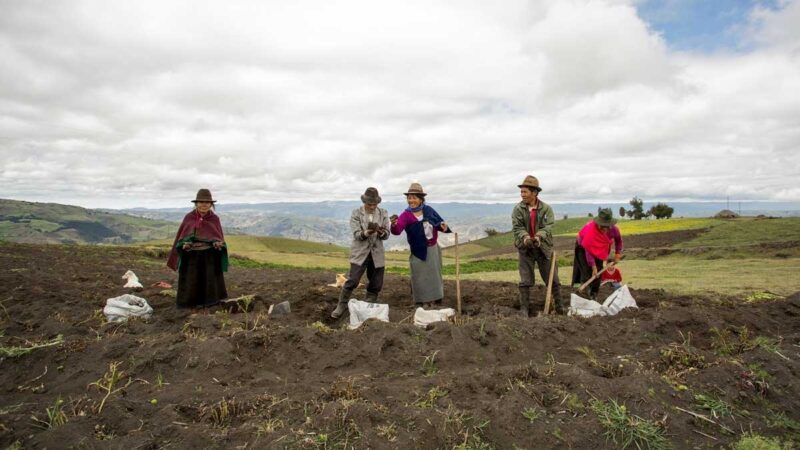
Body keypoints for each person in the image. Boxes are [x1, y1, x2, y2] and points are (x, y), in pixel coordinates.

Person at [331, 187, 391, 318]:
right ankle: (341, 305)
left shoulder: (383, 213)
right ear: (365, 202)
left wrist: (381, 232)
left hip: (377, 253)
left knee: (376, 281)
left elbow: (387, 234)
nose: (372, 206)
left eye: (374, 204)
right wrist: (366, 233)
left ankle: (369, 303)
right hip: (360, 252)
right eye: (370, 204)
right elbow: (356, 234)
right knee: (353, 280)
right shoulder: (356, 213)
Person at [390, 182, 451, 306]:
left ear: (421, 199)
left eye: (414, 197)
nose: (411, 200)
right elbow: (397, 230)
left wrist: (444, 227)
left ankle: (437, 298)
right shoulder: (406, 215)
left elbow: (439, 224)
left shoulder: (428, 210)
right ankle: (420, 301)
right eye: (409, 197)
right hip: (418, 250)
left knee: (435, 275)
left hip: (432, 248)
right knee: (418, 276)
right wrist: (393, 225)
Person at [167, 189, 228, 310]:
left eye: (207, 202)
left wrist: (217, 243)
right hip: (191, 255)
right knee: (191, 279)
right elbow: (182, 236)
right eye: (201, 202)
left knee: (209, 278)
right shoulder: (189, 217)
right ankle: (188, 303)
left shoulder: (214, 219)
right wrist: (185, 244)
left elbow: (218, 236)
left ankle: (210, 302)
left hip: (209, 255)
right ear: (196, 203)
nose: (204, 204)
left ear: (211, 204)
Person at [511, 175, 563, 316]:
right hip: (525, 248)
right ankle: (524, 310)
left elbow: (549, 226)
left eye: (525, 192)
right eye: (521, 192)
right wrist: (526, 238)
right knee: (525, 280)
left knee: (553, 280)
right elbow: (517, 227)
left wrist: (539, 237)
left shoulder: (546, 209)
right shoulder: (518, 210)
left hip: (543, 248)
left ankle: (559, 308)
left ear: (534, 193)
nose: (522, 195)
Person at [572, 208, 624, 299]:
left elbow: (619, 241)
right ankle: (584, 295)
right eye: (602, 226)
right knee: (587, 272)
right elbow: (588, 250)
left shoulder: (614, 230)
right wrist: (593, 267)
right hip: (583, 247)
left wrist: (617, 254)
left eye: (606, 226)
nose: (604, 229)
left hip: (600, 248)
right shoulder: (591, 230)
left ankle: (594, 295)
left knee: (599, 272)